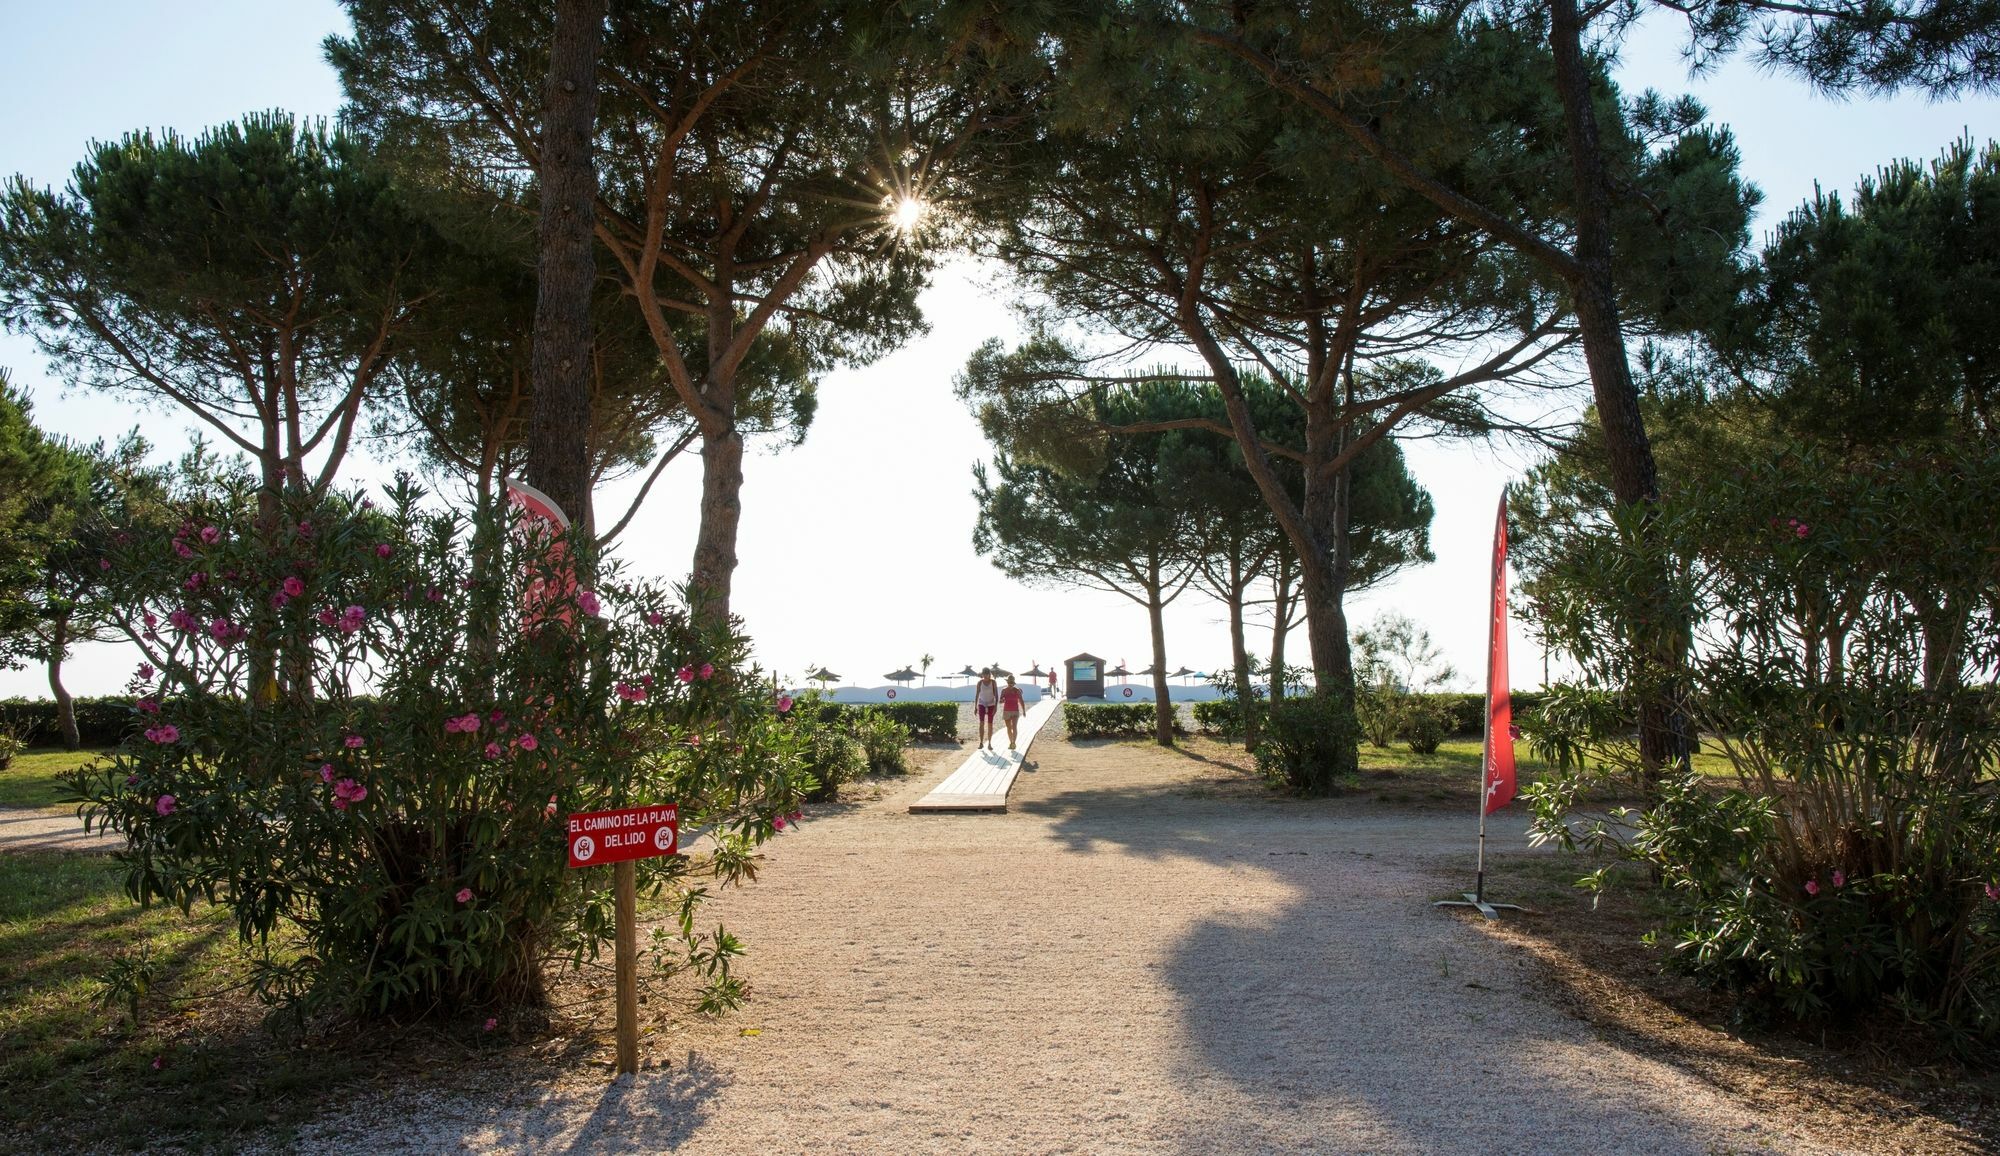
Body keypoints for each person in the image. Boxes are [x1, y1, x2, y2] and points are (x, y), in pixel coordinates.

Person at [973, 668, 999, 749]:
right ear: (982, 674)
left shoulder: (993, 682)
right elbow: (977, 695)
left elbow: (996, 695)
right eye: (984, 674)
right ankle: (981, 742)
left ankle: (990, 743)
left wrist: (996, 706)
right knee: (981, 723)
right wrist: (975, 707)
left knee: (990, 724)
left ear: (989, 674)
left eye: (987, 674)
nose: (985, 675)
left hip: (991, 704)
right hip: (982, 704)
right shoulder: (980, 682)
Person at [998, 675, 1025, 751]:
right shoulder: (1004, 690)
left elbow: (1021, 700)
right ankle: (1011, 742)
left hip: (1015, 711)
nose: (1011, 684)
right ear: (1007, 682)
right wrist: (1002, 700)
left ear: (1014, 683)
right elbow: (1000, 701)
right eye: (1009, 682)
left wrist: (1024, 710)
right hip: (1006, 711)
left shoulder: (1017, 690)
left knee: (1014, 727)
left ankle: (1013, 743)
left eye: (1012, 683)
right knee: (1009, 728)